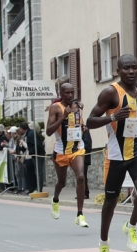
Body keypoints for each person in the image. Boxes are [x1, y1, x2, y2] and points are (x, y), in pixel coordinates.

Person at [86, 54, 137, 252]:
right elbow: (89, 121)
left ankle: (131, 226)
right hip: (116, 156)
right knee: (110, 202)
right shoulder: (110, 92)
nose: (131, 71)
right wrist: (114, 117)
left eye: (134, 67)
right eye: (126, 68)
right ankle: (104, 243)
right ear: (118, 71)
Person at [45, 83, 88, 227]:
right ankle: (56, 199)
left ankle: (80, 214)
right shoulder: (55, 108)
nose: (70, 95)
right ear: (61, 94)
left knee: (81, 177)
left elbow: (78, 124)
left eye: (72, 92)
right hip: (61, 150)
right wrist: (62, 117)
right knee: (61, 182)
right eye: (67, 93)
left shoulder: (79, 106)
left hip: (77, 149)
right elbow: (49, 131)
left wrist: (83, 128)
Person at [18, 122, 45, 193]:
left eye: (20, 128)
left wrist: (31, 151)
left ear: (22, 128)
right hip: (34, 155)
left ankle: (39, 189)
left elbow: (37, 145)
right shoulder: (29, 134)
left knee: (38, 172)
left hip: (38, 155)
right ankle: (37, 188)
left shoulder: (30, 134)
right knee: (36, 172)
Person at [82, 125, 92, 199]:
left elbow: (88, 147)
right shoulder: (84, 134)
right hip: (83, 158)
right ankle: (83, 192)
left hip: (84, 158)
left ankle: (86, 192)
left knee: (83, 176)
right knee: (83, 176)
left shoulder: (86, 134)